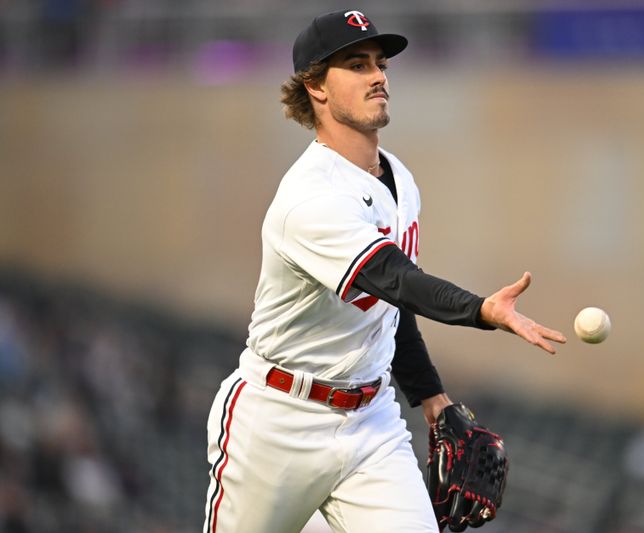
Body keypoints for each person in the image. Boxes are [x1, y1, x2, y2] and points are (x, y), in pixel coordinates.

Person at [202, 9, 566, 533]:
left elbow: (395, 308)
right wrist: (481, 310)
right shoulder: (309, 197)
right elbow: (394, 278)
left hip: (371, 420)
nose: (378, 75)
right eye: (356, 64)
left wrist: (432, 398)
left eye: (380, 63)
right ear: (316, 88)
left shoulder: (400, 180)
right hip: (278, 421)